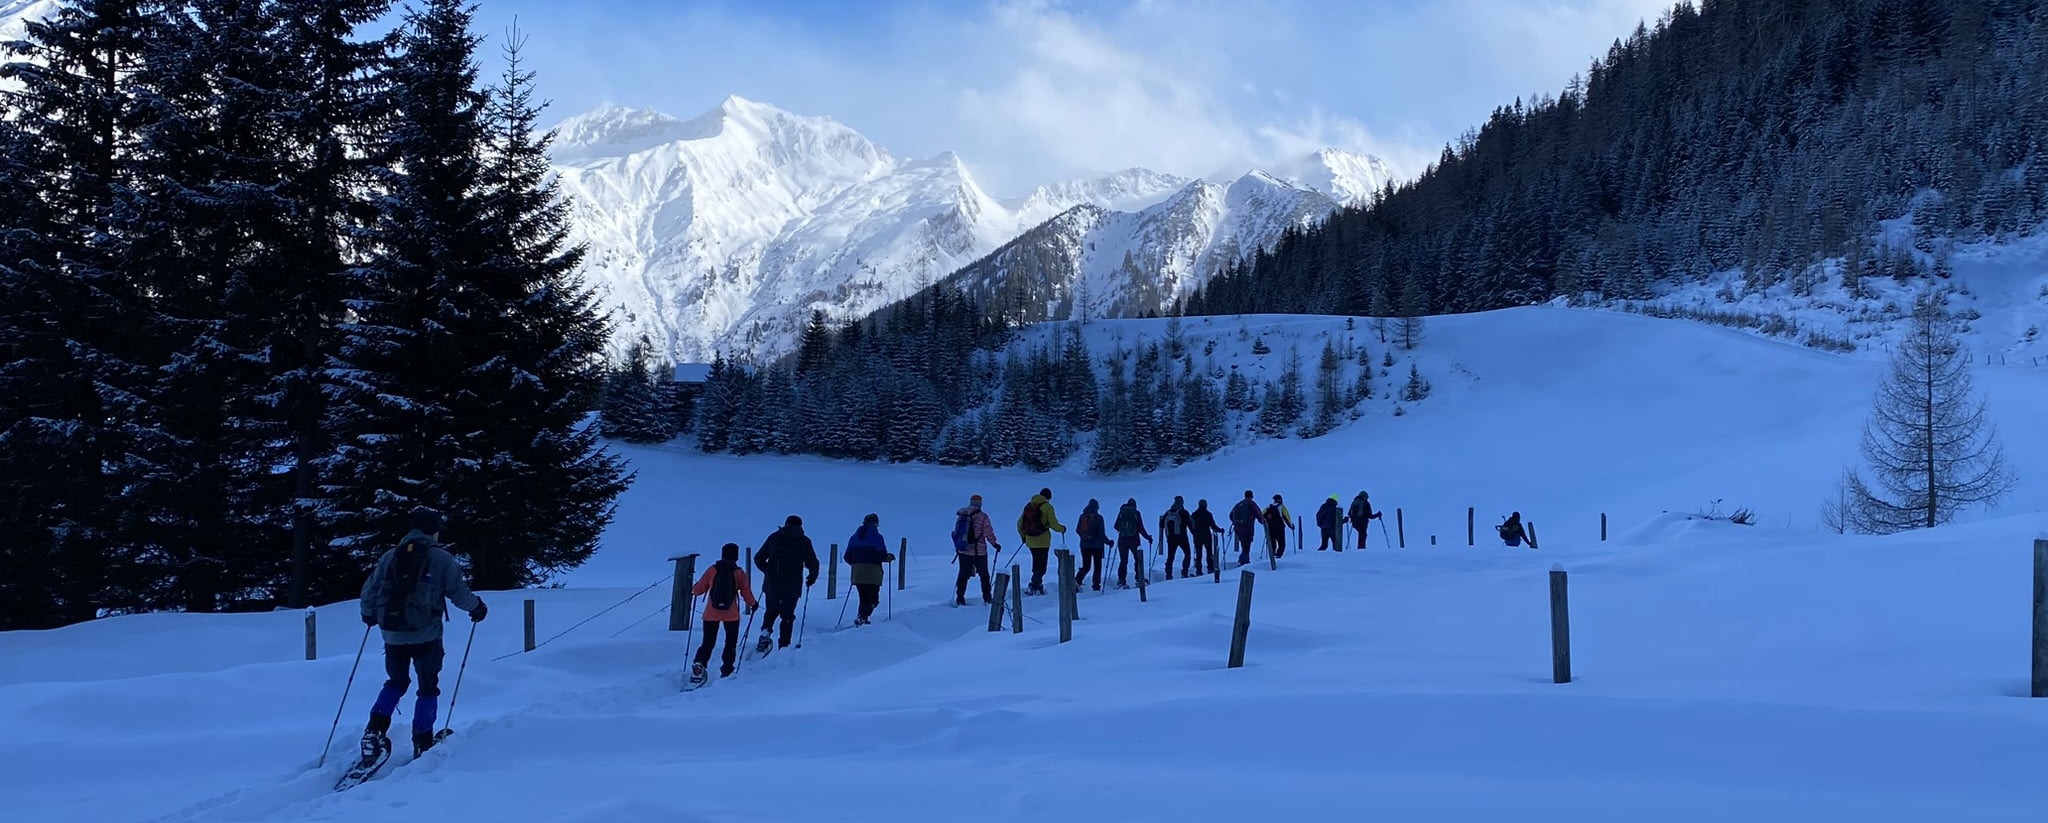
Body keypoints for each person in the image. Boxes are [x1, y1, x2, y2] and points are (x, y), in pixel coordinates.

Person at [356, 506, 485, 762]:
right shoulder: (440, 557)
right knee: (428, 686)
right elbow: (458, 592)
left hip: (392, 633)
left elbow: (369, 590)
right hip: (426, 633)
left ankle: (374, 731)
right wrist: (477, 608)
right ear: (433, 529)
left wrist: (369, 614)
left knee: (396, 682)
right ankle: (423, 741)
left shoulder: (391, 556)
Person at [690, 543, 759, 684]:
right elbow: (746, 592)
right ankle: (727, 670)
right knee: (730, 643)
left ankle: (700, 664)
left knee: (708, 641)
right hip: (731, 614)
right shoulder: (739, 572)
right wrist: (753, 604)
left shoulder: (713, 570)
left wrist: (692, 589)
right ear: (736, 556)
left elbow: (699, 589)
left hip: (711, 613)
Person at [752, 515, 819, 654]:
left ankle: (765, 633)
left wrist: (767, 571)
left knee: (771, 611)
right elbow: (813, 562)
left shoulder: (774, 537)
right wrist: (812, 577)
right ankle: (784, 646)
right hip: (792, 585)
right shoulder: (804, 541)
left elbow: (758, 558)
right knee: (787, 615)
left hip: (772, 583)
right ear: (801, 526)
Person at [843, 514, 894, 626]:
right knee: (873, 599)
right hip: (873, 573)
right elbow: (882, 555)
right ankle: (862, 617)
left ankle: (862, 617)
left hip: (857, 572)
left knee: (863, 597)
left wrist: (858, 562)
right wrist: (889, 557)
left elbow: (846, 557)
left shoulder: (854, 537)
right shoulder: (877, 537)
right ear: (876, 524)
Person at [1016, 487, 1067, 596]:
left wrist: (1023, 537)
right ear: (1048, 497)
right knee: (1042, 565)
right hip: (1043, 541)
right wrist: (1062, 529)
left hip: (1030, 540)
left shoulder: (1029, 506)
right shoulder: (1048, 507)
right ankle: (1035, 585)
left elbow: (1019, 524)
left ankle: (1036, 584)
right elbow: (1053, 524)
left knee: (1036, 562)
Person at [953, 494, 1000, 605]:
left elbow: (957, 532)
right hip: (979, 551)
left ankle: (960, 597)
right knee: (984, 575)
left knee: (963, 574)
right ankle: (987, 598)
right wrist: (995, 544)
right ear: (980, 504)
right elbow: (988, 533)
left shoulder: (962, 514)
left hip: (963, 550)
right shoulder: (983, 516)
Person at [1112, 498, 1153, 589]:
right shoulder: (1136, 514)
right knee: (1137, 559)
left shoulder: (1122, 512)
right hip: (1134, 541)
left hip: (1122, 541)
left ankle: (1121, 580)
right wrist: (1148, 537)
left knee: (1123, 561)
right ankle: (1139, 578)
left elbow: (1116, 526)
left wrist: (1123, 531)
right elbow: (1141, 528)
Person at [1073, 499, 1109, 591]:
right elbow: (1101, 534)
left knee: (1086, 566)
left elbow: (1077, 530)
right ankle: (1096, 586)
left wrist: (1084, 537)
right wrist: (1108, 542)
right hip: (1097, 547)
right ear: (1097, 507)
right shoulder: (1099, 518)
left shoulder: (1082, 516)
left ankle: (1076, 581)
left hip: (1084, 546)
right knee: (1097, 567)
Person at [1159, 496, 1194, 579]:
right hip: (1182, 537)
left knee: (1170, 557)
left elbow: (1161, 524)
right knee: (1187, 554)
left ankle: (1168, 574)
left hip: (1170, 538)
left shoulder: (1168, 512)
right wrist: (1194, 534)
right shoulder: (1183, 512)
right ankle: (1184, 572)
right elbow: (1190, 524)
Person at [1190, 499, 1225, 576]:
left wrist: (1194, 533)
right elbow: (1213, 526)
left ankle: (1198, 570)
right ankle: (1210, 568)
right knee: (1209, 553)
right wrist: (1220, 530)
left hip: (1197, 537)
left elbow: (1191, 526)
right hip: (1206, 536)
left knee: (1198, 554)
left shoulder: (1194, 514)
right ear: (1206, 505)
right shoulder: (1208, 514)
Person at [1228, 491, 1260, 568]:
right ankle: (1241, 561)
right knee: (1246, 547)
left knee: (1244, 546)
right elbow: (1259, 514)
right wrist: (1264, 523)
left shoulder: (1239, 504)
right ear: (1252, 496)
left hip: (1238, 530)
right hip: (1248, 529)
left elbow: (1231, 515)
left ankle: (1246, 562)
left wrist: (1236, 523)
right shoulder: (1252, 505)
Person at [1262, 494, 1293, 559]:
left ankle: (1272, 556)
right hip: (1280, 528)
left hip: (1270, 528)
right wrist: (1291, 526)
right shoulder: (1281, 507)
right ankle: (1278, 556)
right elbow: (1287, 517)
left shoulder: (1268, 507)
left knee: (1272, 543)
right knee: (1282, 544)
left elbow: (1262, 515)